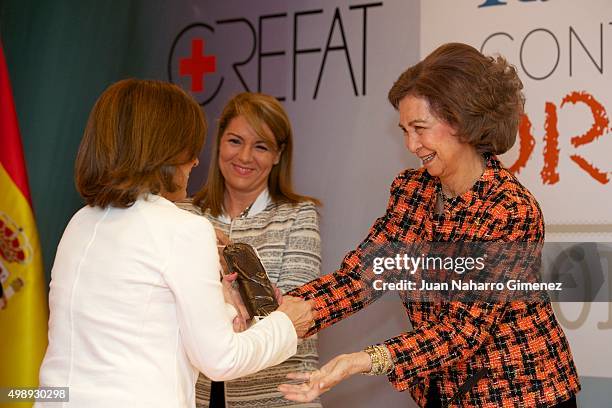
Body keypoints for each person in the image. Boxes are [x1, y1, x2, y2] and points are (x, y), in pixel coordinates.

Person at [279, 43, 580, 407]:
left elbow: (462, 332)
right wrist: (302, 307)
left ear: (462, 122)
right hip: (444, 390)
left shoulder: (511, 210)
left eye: (420, 128)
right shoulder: (411, 189)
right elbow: (368, 272)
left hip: (522, 394)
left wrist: (362, 360)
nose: (411, 144)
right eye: (405, 130)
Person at [36, 79, 313, 408]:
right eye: (188, 149)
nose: (195, 162)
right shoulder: (184, 229)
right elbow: (221, 359)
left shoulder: (80, 222)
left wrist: (225, 308)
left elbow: (147, 321)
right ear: (163, 151)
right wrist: (287, 324)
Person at [177, 92, 322, 408]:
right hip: (197, 397)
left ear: (278, 155)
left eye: (260, 146)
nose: (244, 156)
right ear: (219, 145)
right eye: (235, 141)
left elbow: (298, 313)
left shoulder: (299, 214)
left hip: (277, 399)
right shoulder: (183, 215)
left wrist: (219, 298)